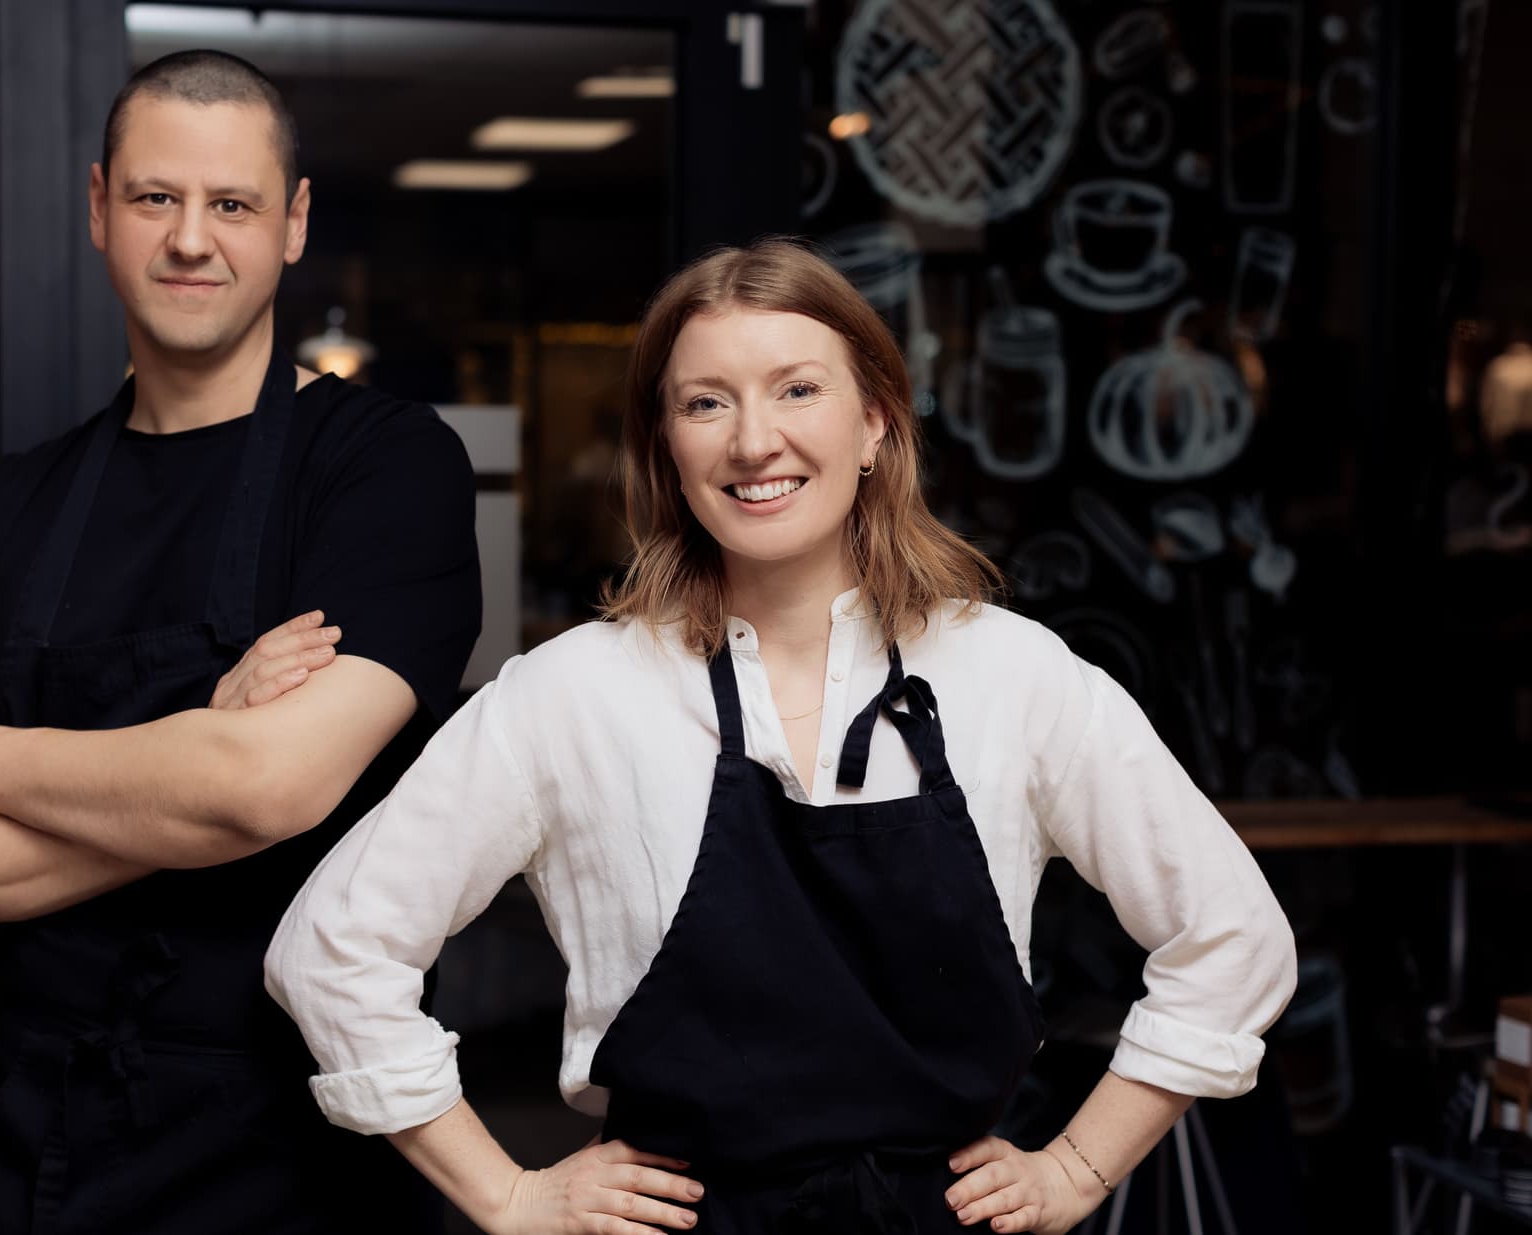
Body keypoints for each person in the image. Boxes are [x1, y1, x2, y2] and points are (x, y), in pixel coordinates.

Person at [265, 239, 1296, 1235]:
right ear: (667, 444)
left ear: (876, 421)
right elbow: (335, 948)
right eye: (705, 402)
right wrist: (506, 1194)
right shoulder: (574, 694)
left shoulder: (1014, 675)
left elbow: (1234, 937)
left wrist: (1079, 1164)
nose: (753, 441)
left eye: (798, 389)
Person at [0, 50, 479, 1234]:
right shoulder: (5, 508)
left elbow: (264, 785)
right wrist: (195, 760)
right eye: (155, 198)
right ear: (99, 207)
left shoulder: (385, 468)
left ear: (293, 222)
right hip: (22, 1141)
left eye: (232, 202)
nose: (192, 239)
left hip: (290, 1152)